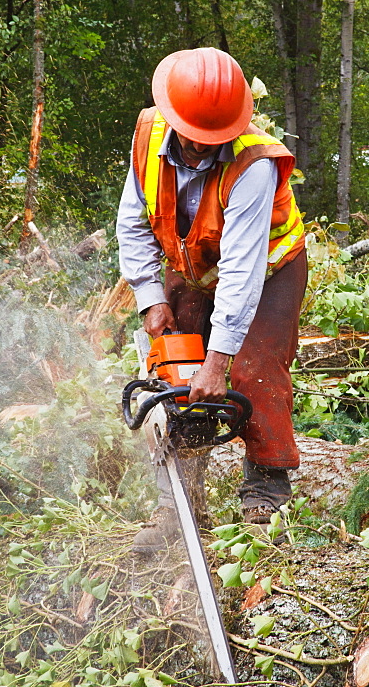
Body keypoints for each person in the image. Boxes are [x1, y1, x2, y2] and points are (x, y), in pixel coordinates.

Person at [116, 47, 307, 551]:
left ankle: (267, 487)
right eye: (195, 139)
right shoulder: (149, 133)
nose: (202, 148)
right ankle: (179, 501)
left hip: (268, 268)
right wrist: (149, 295)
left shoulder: (255, 163)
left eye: (212, 141)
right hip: (194, 262)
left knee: (254, 367)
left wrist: (218, 361)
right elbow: (133, 221)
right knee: (177, 368)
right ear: (175, 118)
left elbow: (243, 271)